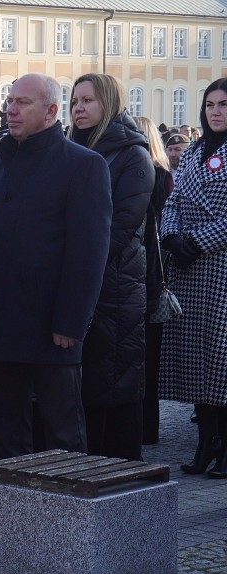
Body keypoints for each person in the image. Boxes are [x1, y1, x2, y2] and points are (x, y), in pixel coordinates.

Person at [0, 73, 112, 461]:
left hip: (51, 325)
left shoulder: (83, 165)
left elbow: (89, 252)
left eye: (22, 103)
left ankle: (74, 515)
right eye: (9, 100)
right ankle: (11, 514)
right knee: (6, 428)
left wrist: (70, 321)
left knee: (62, 429)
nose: (10, 110)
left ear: (51, 111)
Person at [67, 73, 154, 461]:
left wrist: (71, 261)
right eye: (74, 101)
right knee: (86, 387)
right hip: (82, 285)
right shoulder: (71, 148)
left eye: (88, 100)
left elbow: (120, 227)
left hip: (116, 288)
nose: (79, 108)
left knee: (114, 383)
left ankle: (121, 479)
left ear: (110, 104)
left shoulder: (132, 154)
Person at [159, 77, 227, 479]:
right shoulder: (196, 150)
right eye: (211, 105)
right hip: (187, 268)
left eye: (224, 104)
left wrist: (198, 241)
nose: (216, 111)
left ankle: (224, 448)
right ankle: (207, 443)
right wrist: (169, 235)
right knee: (195, 362)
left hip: (218, 266)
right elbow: (173, 199)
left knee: (220, 361)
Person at [134, 115, 175, 446]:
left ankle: (145, 429)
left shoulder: (145, 175)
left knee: (142, 359)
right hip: (157, 267)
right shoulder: (164, 174)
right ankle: (149, 429)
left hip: (148, 267)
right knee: (149, 358)